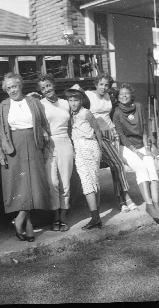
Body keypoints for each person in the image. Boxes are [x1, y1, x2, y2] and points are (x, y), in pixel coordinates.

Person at [0, 72, 50, 242]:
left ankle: (21, 220)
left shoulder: (34, 102)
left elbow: (44, 123)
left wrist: (45, 136)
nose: (12, 90)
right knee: (20, 187)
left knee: (34, 185)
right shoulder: (1, 107)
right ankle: (28, 225)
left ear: (20, 85)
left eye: (14, 86)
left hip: (33, 145)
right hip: (13, 148)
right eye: (8, 88)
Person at [113, 83, 159, 224]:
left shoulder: (138, 106)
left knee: (151, 167)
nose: (124, 95)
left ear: (131, 95)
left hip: (141, 144)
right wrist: (137, 152)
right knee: (142, 168)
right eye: (121, 94)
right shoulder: (117, 113)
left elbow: (144, 128)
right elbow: (122, 137)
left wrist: (147, 147)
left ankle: (156, 204)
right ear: (118, 97)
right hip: (126, 147)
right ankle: (149, 205)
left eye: (126, 93)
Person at [85, 74, 137, 213]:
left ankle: (121, 201)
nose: (103, 87)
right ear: (96, 84)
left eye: (106, 85)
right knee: (118, 163)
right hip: (99, 135)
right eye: (101, 84)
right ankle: (126, 197)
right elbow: (73, 94)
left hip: (112, 132)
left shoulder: (108, 96)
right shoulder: (88, 94)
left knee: (116, 168)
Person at [37, 73, 74, 232]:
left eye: (48, 86)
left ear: (54, 85)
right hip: (49, 144)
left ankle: (63, 216)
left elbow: (72, 124)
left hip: (65, 142)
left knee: (65, 181)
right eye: (43, 88)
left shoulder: (66, 103)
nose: (46, 89)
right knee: (52, 183)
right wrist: (42, 131)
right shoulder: (40, 104)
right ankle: (55, 216)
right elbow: (36, 123)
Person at [64, 85, 103, 230]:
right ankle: (96, 216)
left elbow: (98, 131)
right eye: (70, 100)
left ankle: (95, 217)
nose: (73, 103)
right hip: (79, 148)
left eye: (76, 100)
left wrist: (100, 150)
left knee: (89, 182)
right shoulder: (70, 115)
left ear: (82, 101)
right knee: (90, 181)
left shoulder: (86, 113)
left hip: (89, 146)